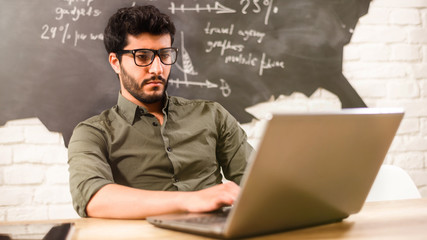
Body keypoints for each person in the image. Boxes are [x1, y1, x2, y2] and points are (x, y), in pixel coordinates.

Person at [67, 5, 253, 219]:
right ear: (115, 62)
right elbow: (93, 199)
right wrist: (192, 200)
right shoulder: (93, 132)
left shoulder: (213, 115)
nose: (157, 69)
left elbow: (258, 182)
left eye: (165, 55)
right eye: (143, 57)